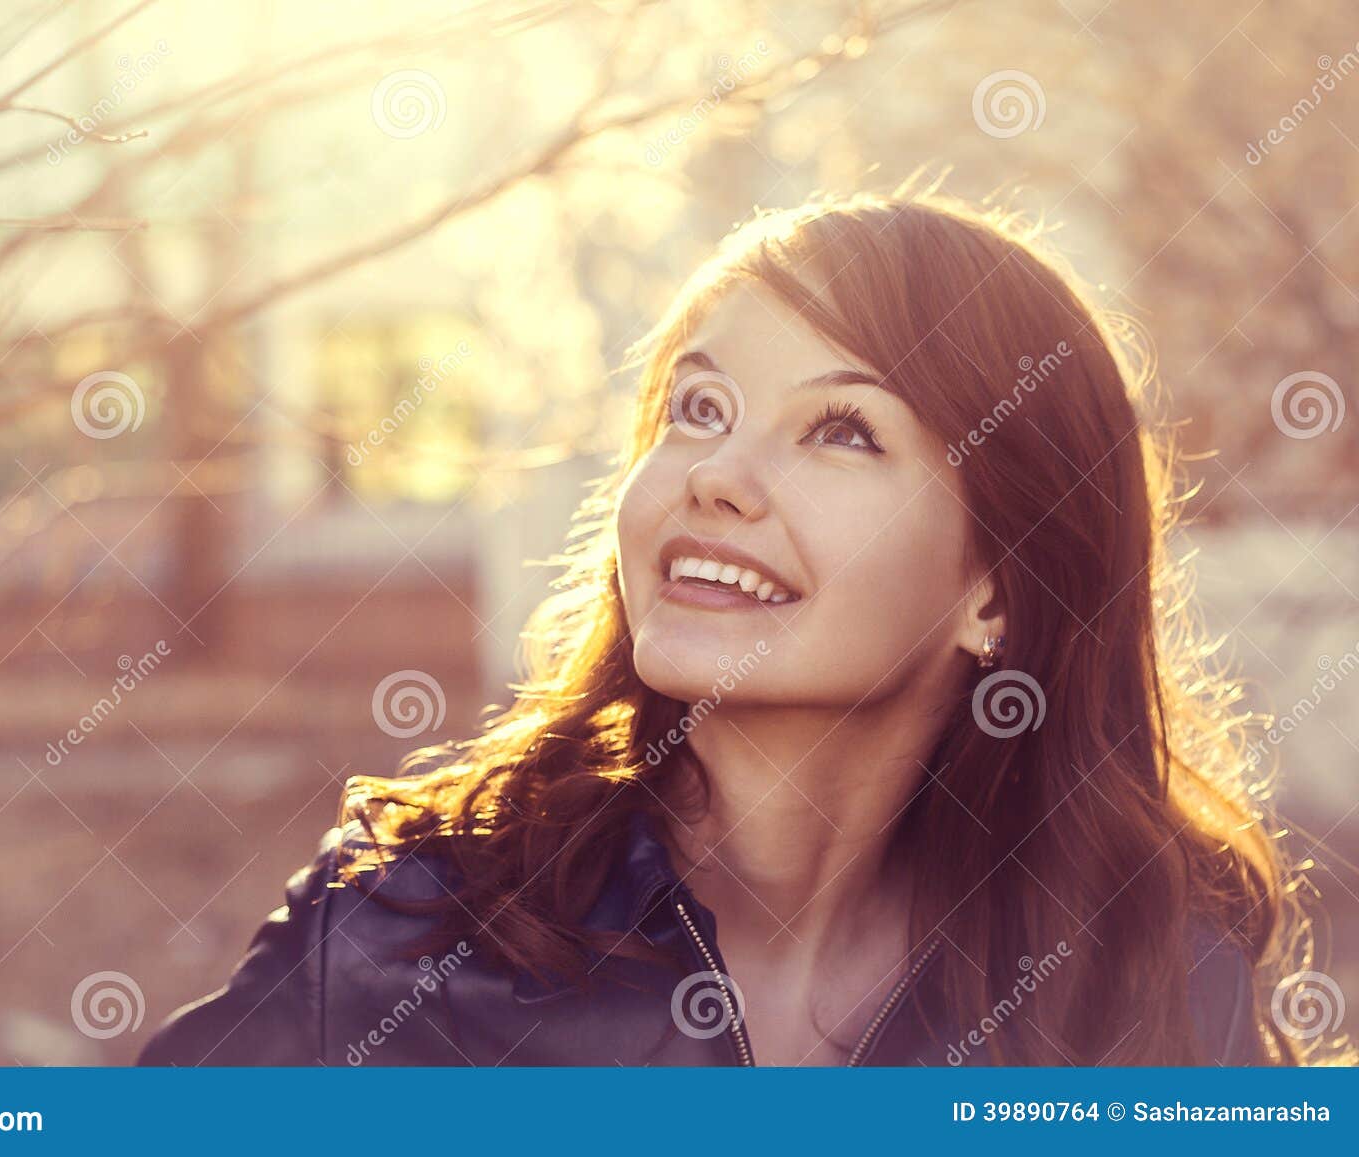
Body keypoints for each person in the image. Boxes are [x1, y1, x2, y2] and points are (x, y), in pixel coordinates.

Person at [139, 184, 1329, 1067]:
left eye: (840, 430)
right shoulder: (398, 934)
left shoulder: (1142, 973)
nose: (716, 474)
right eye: (698, 407)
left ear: (999, 591)